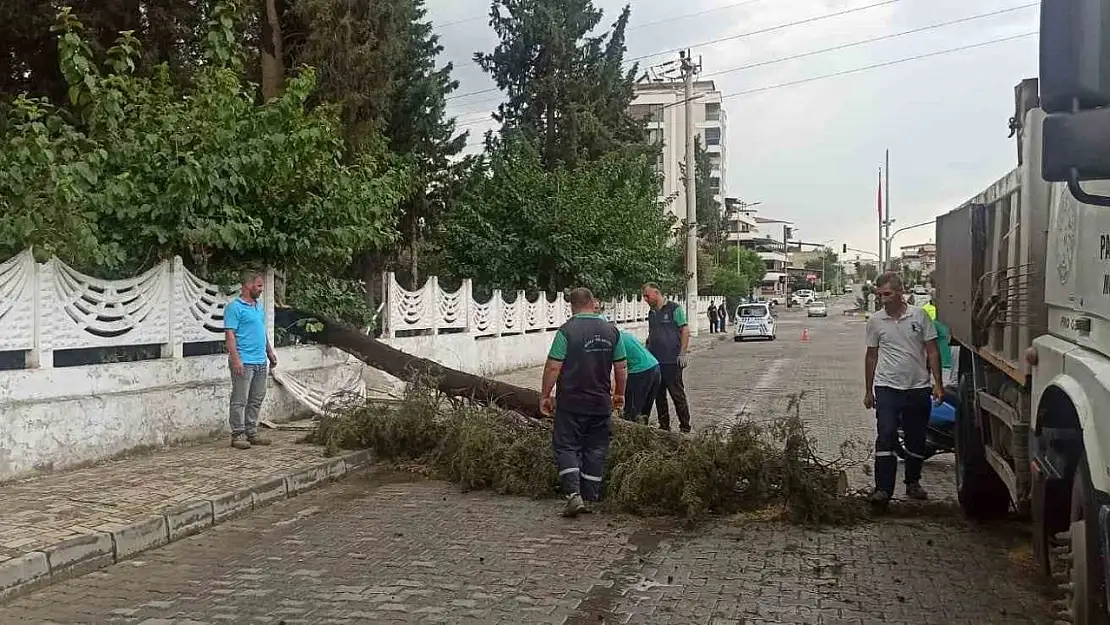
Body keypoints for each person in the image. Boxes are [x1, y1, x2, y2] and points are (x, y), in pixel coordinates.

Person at [540, 287, 628, 517]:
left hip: (572, 402)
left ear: (572, 305)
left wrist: (545, 395)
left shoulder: (567, 331)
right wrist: (619, 394)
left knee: (567, 446)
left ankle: (573, 495)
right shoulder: (612, 331)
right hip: (600, 403)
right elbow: (622, 368)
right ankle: (591, 495)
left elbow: (553, 366)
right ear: (593, 303)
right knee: (596, 448)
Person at [863, 272, 944, 509]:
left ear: (901, 292)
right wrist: (869, 391)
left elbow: (932, 351)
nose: (883, 299)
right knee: (886, 433)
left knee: (916, 437)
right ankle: (883, 490)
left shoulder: (919, 317)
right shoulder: (875, 322)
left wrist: (937, 384)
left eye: (887, 294)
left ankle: (913, 482)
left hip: (918, 387)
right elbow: (871, 356)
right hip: (887, 387)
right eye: (879, 295)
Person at [225, 270, 278, 450]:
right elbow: (230, 335)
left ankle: (251, 431)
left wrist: (269, 352)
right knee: (240, 399)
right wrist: (236, 359)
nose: (261, 289)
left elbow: (261, 331)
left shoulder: (258, 307)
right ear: (248, 285)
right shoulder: (234, 307)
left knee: (257, 397)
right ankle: (238, 433)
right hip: (244, 360)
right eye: (259, 285)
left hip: (259, 360)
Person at [642, 283, 692, 433]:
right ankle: (664, 426)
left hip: (672, 361)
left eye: (647, 295)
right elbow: (652, 334)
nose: (645, 299)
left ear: (656, 293)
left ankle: (685, 427)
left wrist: (682, 353)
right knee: (659, 396)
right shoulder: (652, 313)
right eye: (644, 296)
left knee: (677, 394)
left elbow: (685, 330)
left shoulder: (674, 309)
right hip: (656, 361)